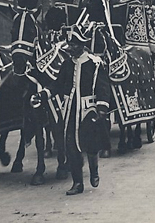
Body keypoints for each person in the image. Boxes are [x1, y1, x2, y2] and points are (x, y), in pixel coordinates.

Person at [40, 24, 112, 196]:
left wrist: (101, 108)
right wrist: (44, 94)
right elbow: (57, 85)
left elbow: (103, 87)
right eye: (69, 45)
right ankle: (77, 183)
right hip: (70, 111)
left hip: (89, 111)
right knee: (71, 146)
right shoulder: (66, 64)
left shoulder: (95, 64)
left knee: (91, 146)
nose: (70, 48)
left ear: (81, 45)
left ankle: (94, 171)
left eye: (73, 45)